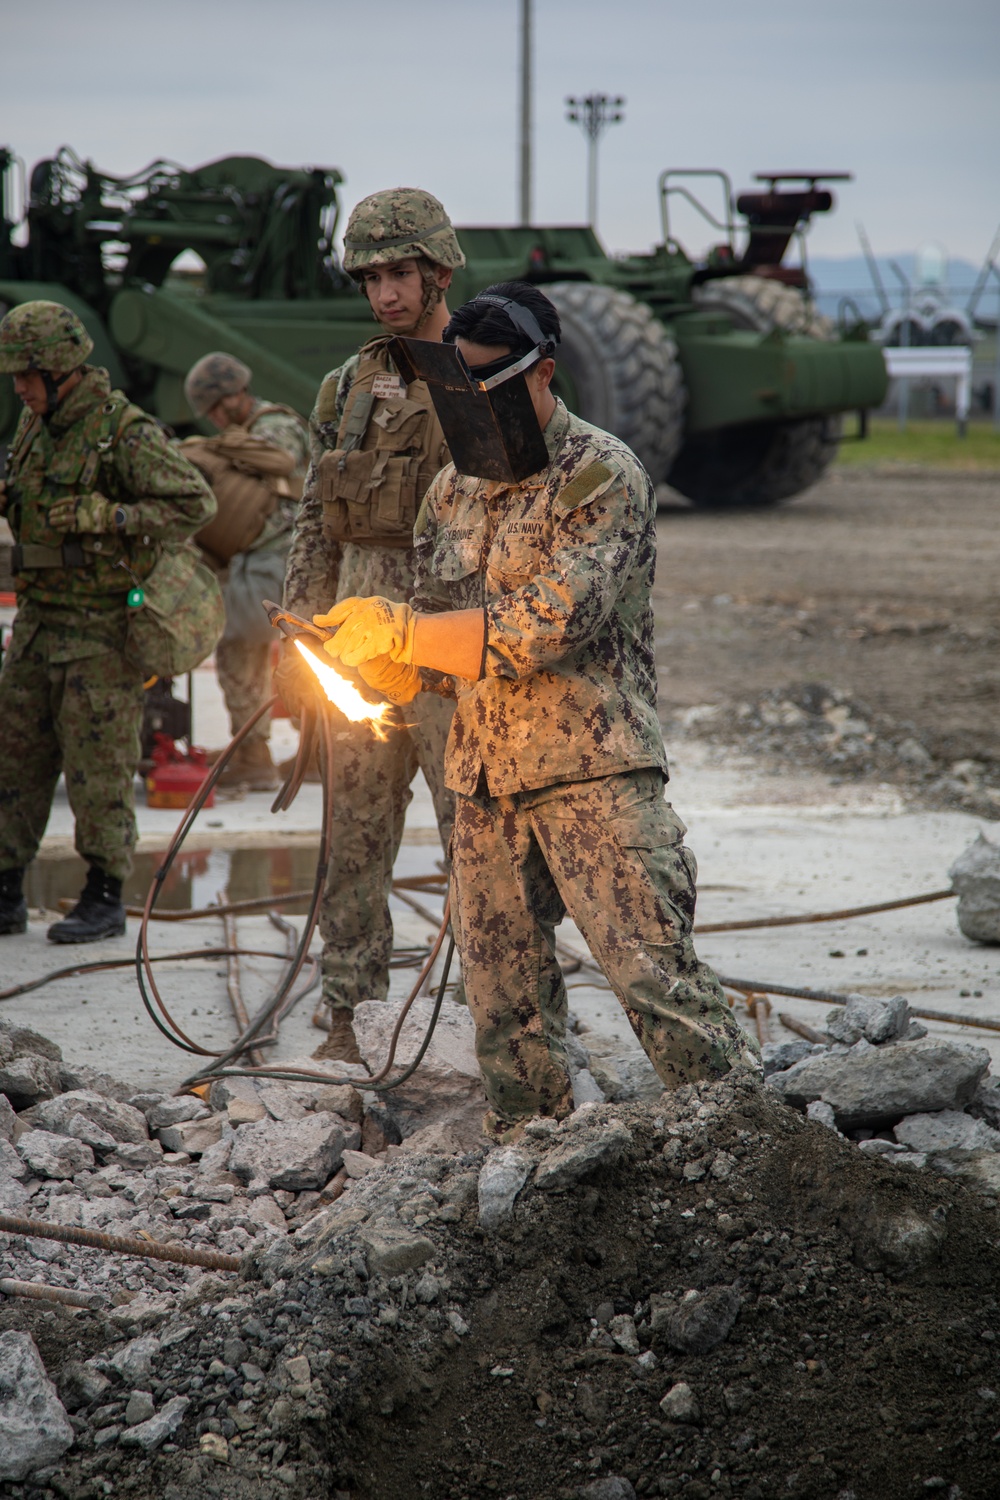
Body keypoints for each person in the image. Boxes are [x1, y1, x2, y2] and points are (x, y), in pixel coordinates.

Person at [316, 281, 761, 1141]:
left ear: (543, 372)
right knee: (504, 1008)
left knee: (655, 983)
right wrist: (377, 665)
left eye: (491, 388)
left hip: (591, 770)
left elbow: (543, 626)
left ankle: (748, 1153)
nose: (474, 410)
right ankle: (533, 1161)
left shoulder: (601, 477)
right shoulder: (452, 492)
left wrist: (405, 633)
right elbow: (444, 649)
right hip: (484, 780)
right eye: (461, 390)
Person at [277, 188, 466, 1065]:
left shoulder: (487, 366)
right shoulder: (350, 384)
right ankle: (352, 1006)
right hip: (355, 652)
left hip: (448, 652)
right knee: (354, 833)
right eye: (372, 278)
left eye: (400, 274)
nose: (386, 294)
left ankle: (497, 999)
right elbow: (317, 511)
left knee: (480, 836)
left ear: (438, 272)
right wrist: (298, 625)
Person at [0, 301, 215, 942]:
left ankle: (103, 896)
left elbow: (193, 503)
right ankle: (7, 887)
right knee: (15, 758)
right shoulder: (34, 423)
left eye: (26, 375)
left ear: (61, 369)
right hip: (39, 621)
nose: (17, 387)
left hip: (99, 629)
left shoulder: (122, 431)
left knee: (98, 766)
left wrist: (110, 516)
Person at [183, 353, 310, 791]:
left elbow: (278, 458)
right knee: (248, 651)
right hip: (255, 559)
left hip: (285, 558)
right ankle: (254, 750)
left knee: (283, 655)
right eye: (211, 414)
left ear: (237, 393)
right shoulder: (243, 433)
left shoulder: (275, 424)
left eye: (219, 408)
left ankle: (310, 750)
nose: (216, 419)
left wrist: (216, 447)